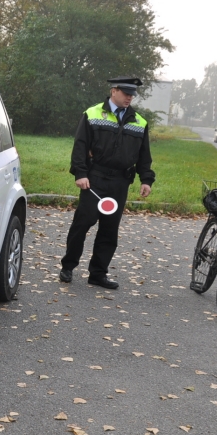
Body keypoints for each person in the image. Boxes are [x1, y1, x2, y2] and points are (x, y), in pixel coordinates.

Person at [59, 76, 155, 289]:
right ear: (114, 91)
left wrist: (146, 179)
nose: (130, 97)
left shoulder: (139, 122)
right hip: (95, 179)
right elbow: (80, 146)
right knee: (82, 224)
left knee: (109, 230)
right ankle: (68, 266)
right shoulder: (93, 114)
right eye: (126, 93)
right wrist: (80, 173)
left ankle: (98, 273)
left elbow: (144, 154)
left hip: (120, 182)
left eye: (132, 95)